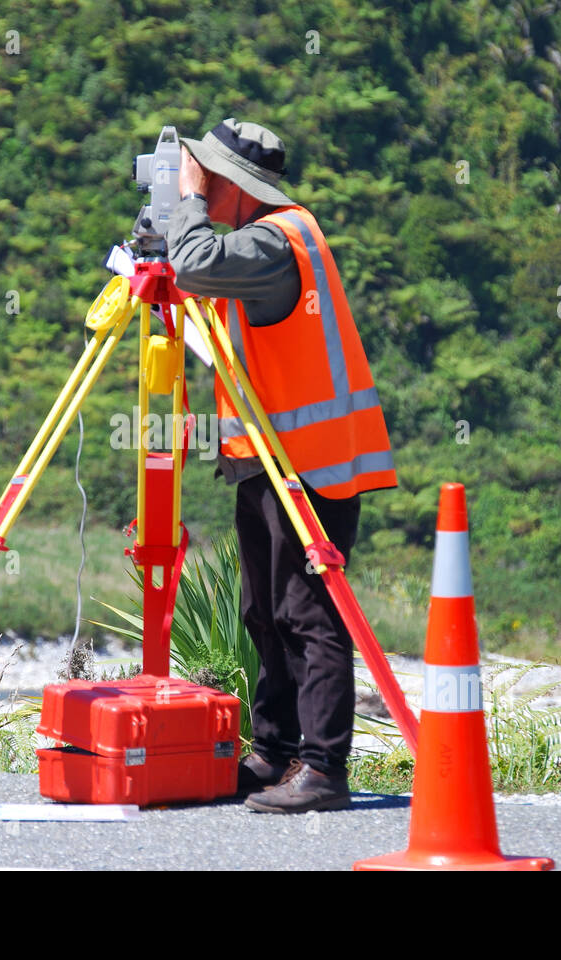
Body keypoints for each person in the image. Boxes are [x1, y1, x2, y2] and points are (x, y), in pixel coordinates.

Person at [165, 118, 398, 813]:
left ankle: (323, 767)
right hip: (265, 458)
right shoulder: (256, 239)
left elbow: (194, 264)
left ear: (238, 188)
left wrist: (184, 203)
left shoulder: (275, 240)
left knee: (307, 612)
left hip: (309, 465)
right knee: (262, 611)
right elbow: (193, 278)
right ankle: (274, 752)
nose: (201, 189)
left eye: (209, 181)